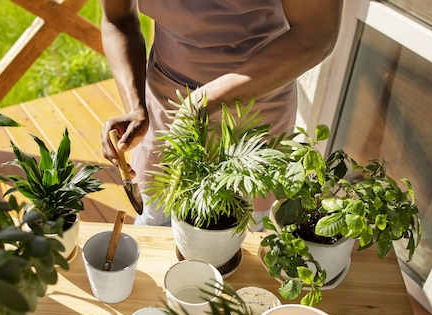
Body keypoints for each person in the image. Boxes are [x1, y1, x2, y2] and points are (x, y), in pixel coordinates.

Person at [99, 0, 343, 226]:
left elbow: (316, 35)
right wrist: (135, 106)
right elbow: (117, 19)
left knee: (237, 233)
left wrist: (204, 101)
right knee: (155, 219)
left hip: (254, 113)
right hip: (166, 105)